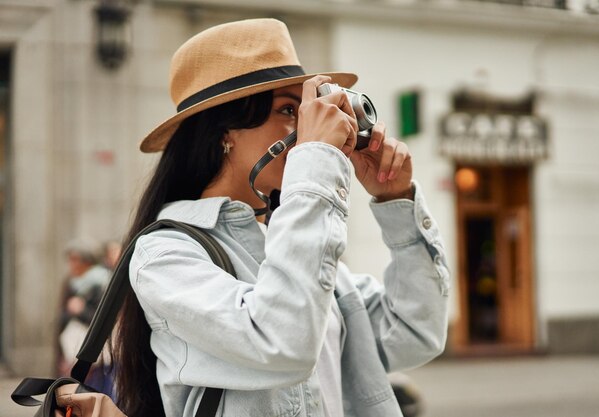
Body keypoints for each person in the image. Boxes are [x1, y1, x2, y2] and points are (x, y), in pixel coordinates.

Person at [113, 18, 449, 417]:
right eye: (289, 110)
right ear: (225, 131)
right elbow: (281, 342)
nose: (304, 126)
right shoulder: (165, 254)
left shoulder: (290, 239)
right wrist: (317, 163)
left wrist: (397, 201)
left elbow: (415, 333)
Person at [57, 238, 113, 394]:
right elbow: (62, 316)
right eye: (70, 259)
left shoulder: (103, 282)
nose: (72, 264)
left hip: (94, 356)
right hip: (71, 349)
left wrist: (80, 310)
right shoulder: (71, 282)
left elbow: (104, 320)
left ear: (87, 261)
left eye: (75, 259)